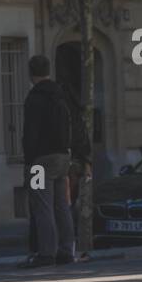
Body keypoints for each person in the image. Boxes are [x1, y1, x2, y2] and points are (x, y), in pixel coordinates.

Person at [21, 54, 75, 267]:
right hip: (62, 157)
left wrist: (29, 161)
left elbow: (30, 133)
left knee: (41, 206)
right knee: (62, 205)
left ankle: (46, 252)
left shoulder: (34, 98)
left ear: (31, 72)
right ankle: (66, 249)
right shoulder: (60, 94)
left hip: (39, 159)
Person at [61, 81, 92, 262]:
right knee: (67, 206)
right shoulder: (77, 115)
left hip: (52, 165)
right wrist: (86, 165)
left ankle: (61, 246)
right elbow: (83, 141)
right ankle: (69, 246)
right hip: (71, 165)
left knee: (55, 205)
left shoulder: (62, 113)